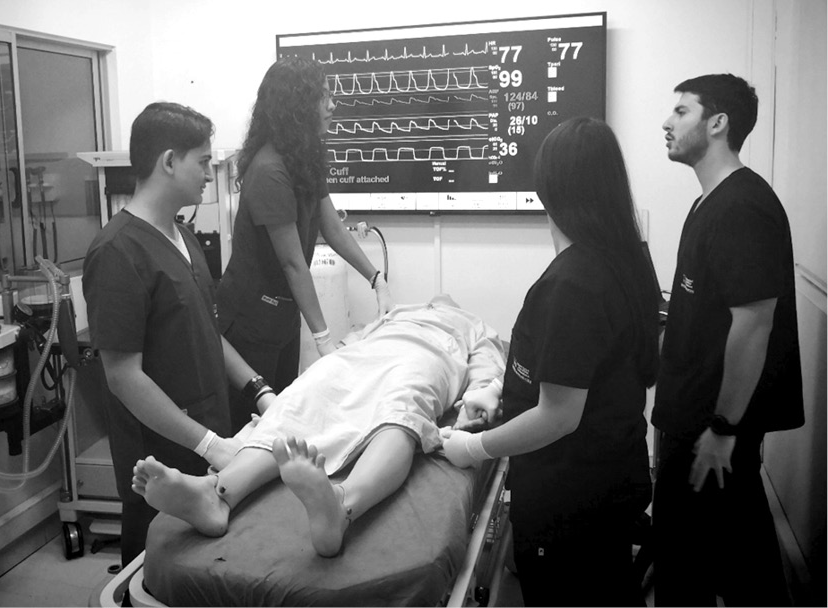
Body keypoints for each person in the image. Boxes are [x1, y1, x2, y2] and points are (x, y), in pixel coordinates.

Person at [440, 117, 661, 606]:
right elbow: (582, 373)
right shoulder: (625, 258)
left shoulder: (572, 284)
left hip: (571, 504)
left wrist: (475, 450)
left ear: (549, 186)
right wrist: (502, 396)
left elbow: (559, 416)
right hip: (606, 484)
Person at [131, 295, 507, 558]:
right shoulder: (392, 314)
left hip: (425, 356)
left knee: (400, 409)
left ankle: (342, 506)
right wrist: (328, 365)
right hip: (359, 356)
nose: (441, 299)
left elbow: (489, 371)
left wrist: (480, 399)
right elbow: (346, 344)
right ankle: (219, 494)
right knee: (299, 399)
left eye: (445, 300)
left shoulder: (473, 325)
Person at [82, 102, 274, 565]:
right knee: (156, 573)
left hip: (211, 436)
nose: (210, 174)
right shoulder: (117, 252)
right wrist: (206, 443)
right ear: (169, 161)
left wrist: (259, 389)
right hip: (160, 457)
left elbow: (208, 331)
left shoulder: (185, 238)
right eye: (204, 162)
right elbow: (123, 377)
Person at [652, 74, 803, 606]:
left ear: (718, 123)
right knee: (713, 554)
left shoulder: (742, 207)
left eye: (682, 112)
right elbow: (714, 305)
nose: (667, 123)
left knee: (728, 566)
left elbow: (754, 325)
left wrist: (722, 429)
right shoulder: (709, 203)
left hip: (711, 431)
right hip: (694, 421)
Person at [216, 56, 394, 430]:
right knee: (253, 425)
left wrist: (376, 279)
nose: (333, 105)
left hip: (280, 315)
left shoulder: (306, 154)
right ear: (298, 105)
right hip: (249, 322)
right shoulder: (269, 170)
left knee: (284, 415)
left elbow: (331, 226)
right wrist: (324, 339)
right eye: (324, 97)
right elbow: (293, 263)